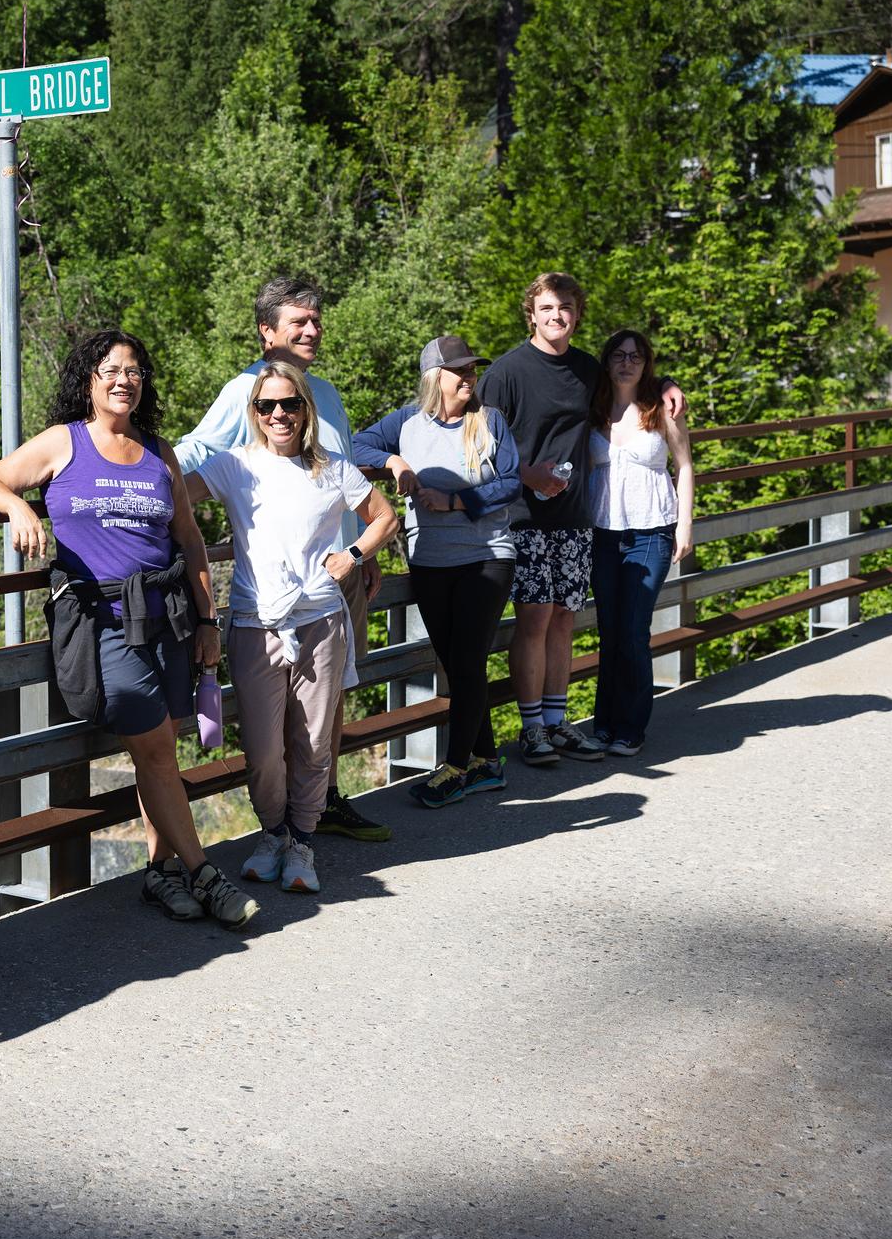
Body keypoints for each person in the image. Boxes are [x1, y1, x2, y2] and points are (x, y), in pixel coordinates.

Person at [0, 329, 259, 929]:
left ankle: (161, 872)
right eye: (110, 370)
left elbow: (190, 540)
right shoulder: (64, 442)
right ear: (88, 381)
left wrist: (208, 620)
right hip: (101, 621)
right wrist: (22, 507)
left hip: (170, 616)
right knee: (153, 746)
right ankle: (205, 872)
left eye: (134, 371)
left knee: (161, 752)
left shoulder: (158, 451)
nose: (124, 380)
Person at [175, 275, 392, 845]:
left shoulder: (327, 393)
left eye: (316, 321)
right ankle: (289, 827)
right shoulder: (246, 389)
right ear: (267, 331)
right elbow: (200, 450)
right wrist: (132, 474)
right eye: (299, 322)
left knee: (324, 711)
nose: (313, 330)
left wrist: (361, 552)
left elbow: (339, 479)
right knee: (275, 725)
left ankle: (321, 806)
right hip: (271, 590)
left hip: (336, 575)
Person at [476, 273, 685, 767]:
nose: (556, 316)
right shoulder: (506, 372)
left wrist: (669, 383)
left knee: (565, 620)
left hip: (575, 519)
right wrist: (527, 474)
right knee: (534, 619)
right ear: (531, 313)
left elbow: (634, 382)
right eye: (547, 307)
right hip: (523, 517)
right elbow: (478, 445)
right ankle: (532, 730)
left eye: (566, 307)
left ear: (577, 314)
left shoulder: (588, 369)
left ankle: (557, 721)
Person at [351, 337, 521, 807]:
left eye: (472, 370)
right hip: (429, 561)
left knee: (466, 661)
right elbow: (353, 442)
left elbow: (510, 481)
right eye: (459, 371)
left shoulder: (489, 421)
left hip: (487, 557)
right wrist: (393, 460)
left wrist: (457, 500)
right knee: (458, 666)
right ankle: (487, 763)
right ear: (435, 377)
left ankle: (455, 767)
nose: (469, 378)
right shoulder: (407, 422)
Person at [588, 328, 695, 756]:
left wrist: (684, 525)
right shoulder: (592, 409)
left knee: (634, 630)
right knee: (609, 630)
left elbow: (685, 466)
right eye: (619, 355)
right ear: (607, 361)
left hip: (651, 531)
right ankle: (604, 723)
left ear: (646, 362)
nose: (627, 362)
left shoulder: (662, 408)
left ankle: (631, 727)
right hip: (600, 533)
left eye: (636, 356)